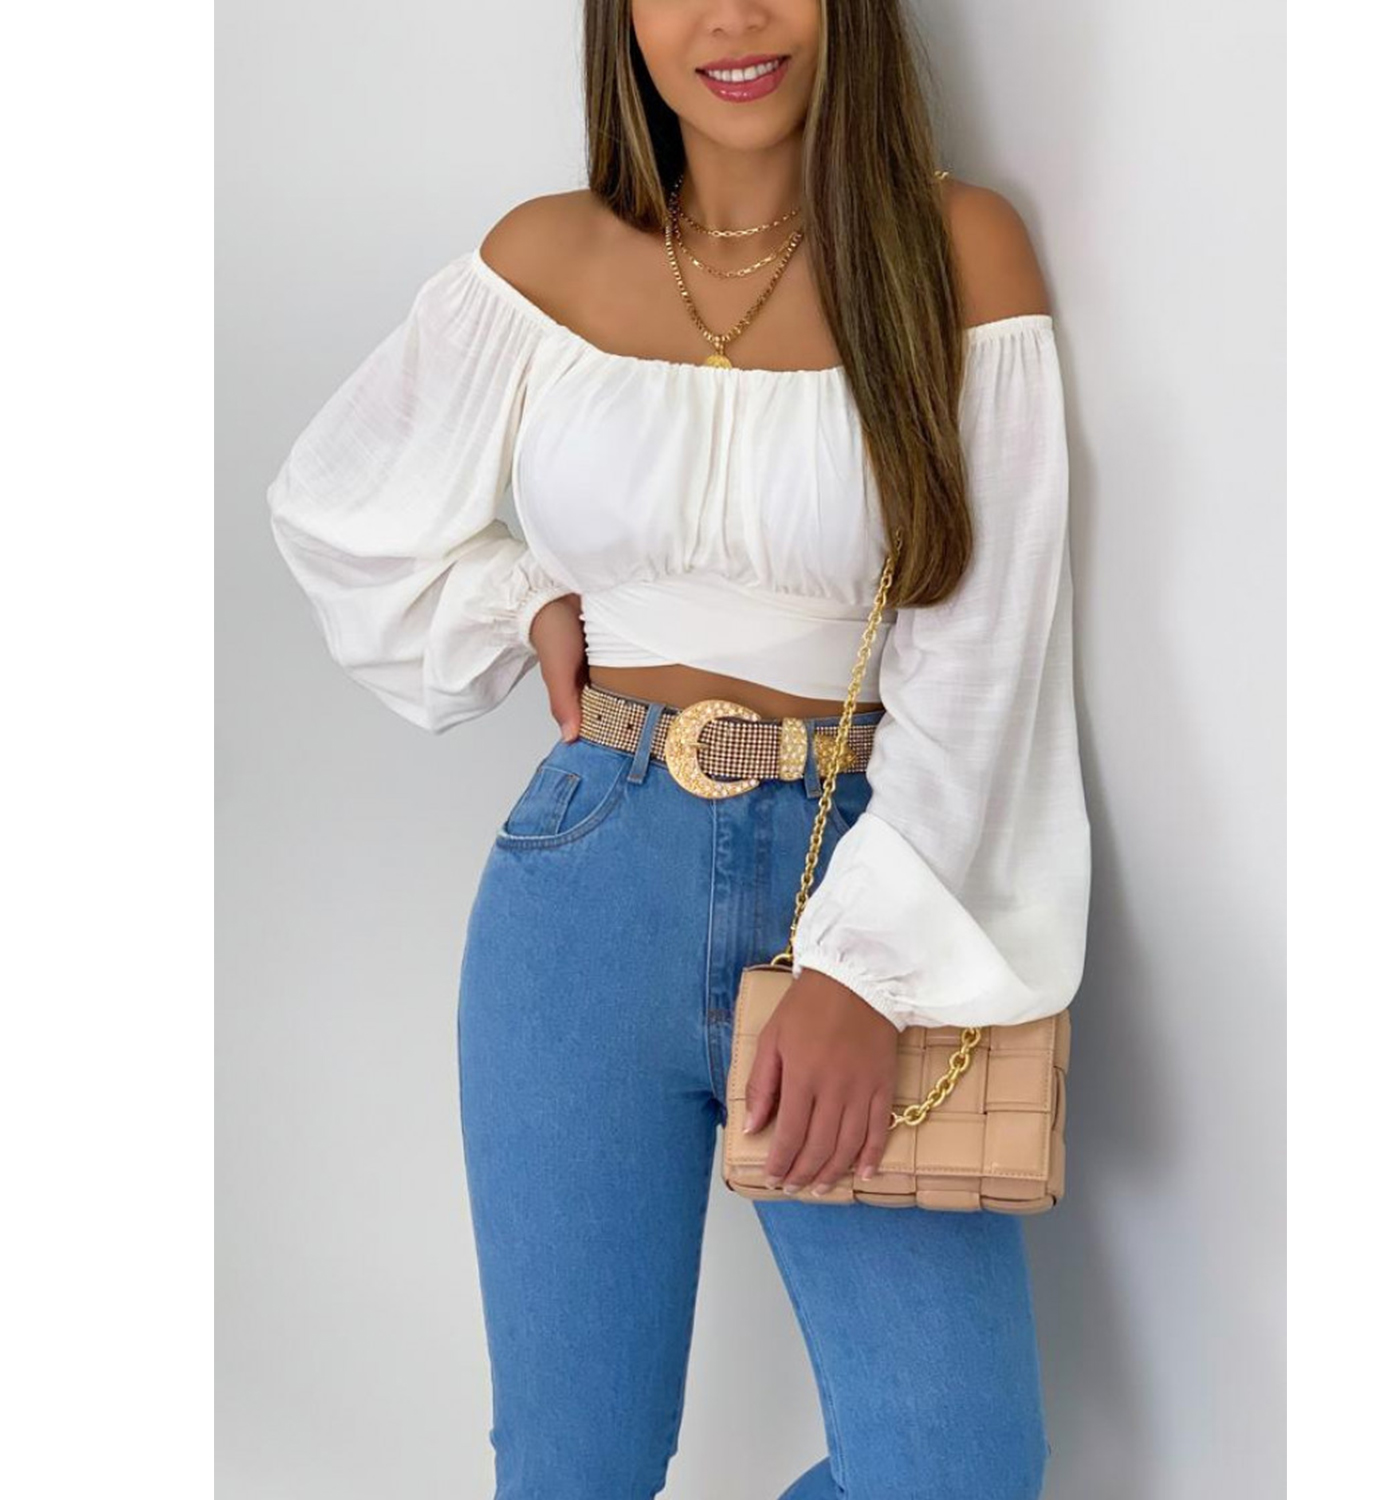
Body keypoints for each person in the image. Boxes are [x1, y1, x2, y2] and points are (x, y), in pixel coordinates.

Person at [265, 3, 1091, 1495]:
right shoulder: (545, 261)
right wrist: (520, 602)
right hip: (588, 879)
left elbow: (988, 659)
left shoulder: (955, 252)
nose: (733, 17)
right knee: (570, 1468)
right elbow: (335, 507)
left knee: (954, 1466)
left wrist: (863, 967)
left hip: (863, 872)